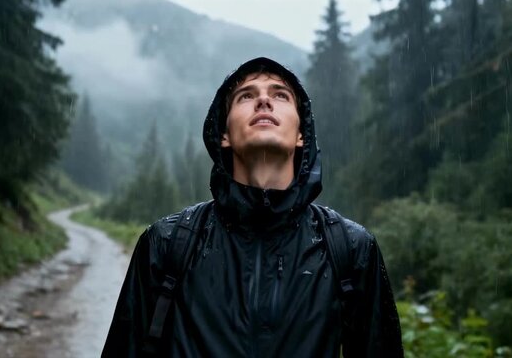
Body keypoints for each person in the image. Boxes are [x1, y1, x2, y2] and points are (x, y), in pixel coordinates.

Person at [102, 57, 404, 357]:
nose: (263, 101)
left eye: (280, 95)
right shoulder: (167, 243)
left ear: (302, 135)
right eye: (246, 95)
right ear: (223, 135)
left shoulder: (350, 249)